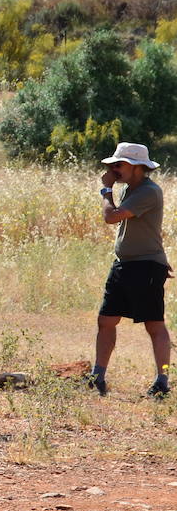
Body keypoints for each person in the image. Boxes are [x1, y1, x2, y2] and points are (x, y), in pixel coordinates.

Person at [89, 143, 170, 399]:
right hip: (125, 263)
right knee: (106, 320)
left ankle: (162, 380)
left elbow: (111, 216)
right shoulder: (129, 189)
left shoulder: (149, 191)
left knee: (154, 325)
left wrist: (105, 190)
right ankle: (98, 376)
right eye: (113, 164)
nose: (113, 169)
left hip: (146, 265)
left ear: (137, 167)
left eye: (119, 164)